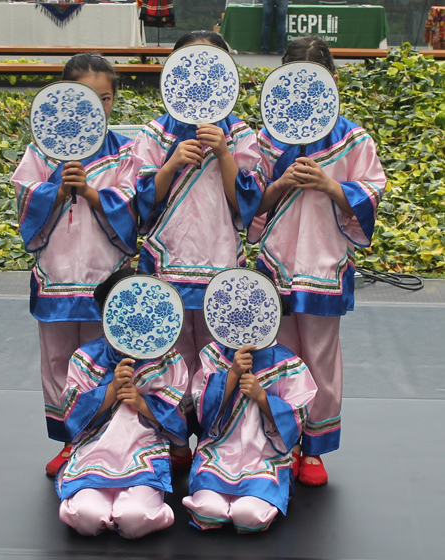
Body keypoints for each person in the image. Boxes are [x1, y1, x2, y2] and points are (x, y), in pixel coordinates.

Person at [252, 37, 387, 486]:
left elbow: (370, 189)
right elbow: (252, 202)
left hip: (324, 264)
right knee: (278, 357)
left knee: (321, 359)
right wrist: (282, 183)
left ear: (332, 80)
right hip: (275, 264)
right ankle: (282, 441)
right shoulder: (265, 140)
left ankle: (315, 449)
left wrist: (331, 186)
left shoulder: (351, 137)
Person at [132, 31, 265, 466]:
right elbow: (137, 201)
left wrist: (224, 152)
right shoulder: (156, 131)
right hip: (167, 260)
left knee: (218, 359)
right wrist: (171, 163)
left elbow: (244, 203)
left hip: (220, 260)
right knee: (169, 358)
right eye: (189, 63)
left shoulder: (240, 133)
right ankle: (173, 440)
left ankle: (214, 441)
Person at [12, 53, 137, 476]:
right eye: (85, 97)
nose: (97, 107)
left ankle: (104, 440)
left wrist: (93, 192)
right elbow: (26, 201)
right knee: (57, 362)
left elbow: (133, 208)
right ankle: (69, 441)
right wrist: (57, 189)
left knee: (104, 359)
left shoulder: (125, 150)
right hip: (57, 275)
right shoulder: (40, 151)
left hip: (106, 277)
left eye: (105, 98)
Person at [56, 269, 188, 539]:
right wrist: (111, 389)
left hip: (142, 453)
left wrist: (141, 403)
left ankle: (134, 508)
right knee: (86, 518)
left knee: (135, 520)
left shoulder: (168, 360)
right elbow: (72, 415)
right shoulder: (85, 358)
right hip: (95, 452)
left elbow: (178, 420)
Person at [182, 336, 317, 533]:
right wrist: (231, 375)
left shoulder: (288, 363)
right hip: (218, 454)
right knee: (208, 511)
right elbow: (202, 406)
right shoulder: (214, 354)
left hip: (264, 458)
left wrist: (262, 397)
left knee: (249, 517)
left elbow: (297, 415)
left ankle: (260, 494)